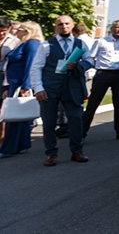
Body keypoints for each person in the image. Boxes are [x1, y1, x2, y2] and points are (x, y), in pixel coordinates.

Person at [30, 15, 92, 166]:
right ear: (55, 27)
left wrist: (79, 66)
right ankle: (51, 153)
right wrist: (38, 88)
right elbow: (36, 67)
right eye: (60, 24)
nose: (63, 26)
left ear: (72, 26)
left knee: (76, 120)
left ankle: (77, 151)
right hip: (50, 87)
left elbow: (90, 60)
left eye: (66, 24)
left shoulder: (80, 43)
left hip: (72, 87)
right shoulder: (46, 45)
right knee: (49, 122)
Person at [82, 20, 119, 140]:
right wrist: (99, 66)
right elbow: (91, 57)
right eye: (117, 27)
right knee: (93, 103)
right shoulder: (101, 41)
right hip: (103, 74)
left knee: (118, 104)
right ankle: (82, 132)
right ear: (112, 28)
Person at [0, 21, 43, 158]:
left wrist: (26, 86)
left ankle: (9, 148)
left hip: (20, 85)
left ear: (27, 31)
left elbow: (31, 66)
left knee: (16, 116)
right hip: (13, 83)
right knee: (19, 116)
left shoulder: (32, 44)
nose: (15, 31)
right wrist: (7, 86)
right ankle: (20, 145)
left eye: (19, 29)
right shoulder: (23, 44)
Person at [0, 17, 22, 142]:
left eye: (4, 30)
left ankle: (3, 137)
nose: (2, 34)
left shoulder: (14, 41)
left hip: (5, 75)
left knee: (3, 107)